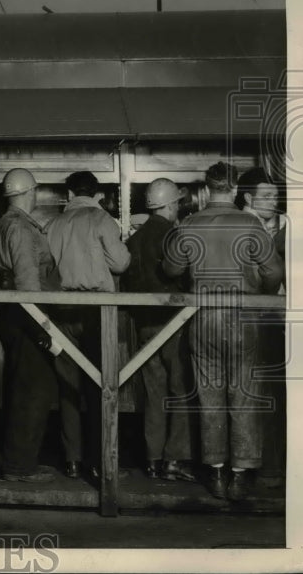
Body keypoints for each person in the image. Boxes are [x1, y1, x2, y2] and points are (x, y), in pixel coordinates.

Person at [164, 162, 284, 500]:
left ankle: (216, 473)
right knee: (243, 394)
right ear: (233, 189)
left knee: (209, 394)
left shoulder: (189, 223)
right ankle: (240, 475)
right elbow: (273, 271)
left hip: (204, 317)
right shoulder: (251, 224)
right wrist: (260, 295)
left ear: (208, 189)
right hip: (244, 316)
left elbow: (171, 268)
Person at [45, 170, 130, 482]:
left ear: (69, 194)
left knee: (67, 386)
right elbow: (121, 263)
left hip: (61, 309)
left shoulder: (53, 224)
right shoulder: (102, 220)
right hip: (97, 311)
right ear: (95, 194)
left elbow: (46, 268)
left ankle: (72, 460)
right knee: (99, 386)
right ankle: (99, 461)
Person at [122, 178, 195, 483]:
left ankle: (152, 460)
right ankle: (174, 460)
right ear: (169, 205)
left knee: (154, 394)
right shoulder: (173, 235)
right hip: (173, 324)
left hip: (144, 326)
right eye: (176, 202)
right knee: (180, 391)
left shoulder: (135, 239)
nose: (178, 207)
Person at [0, 168, 59, 484]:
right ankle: (20, 466)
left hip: (12, 312)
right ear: (31, 192)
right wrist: (42, 325)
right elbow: (28, 283)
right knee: (34, 390)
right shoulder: (20, 227)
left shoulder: (6, 223)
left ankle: (17, 460)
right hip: (27, 312)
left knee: (21, 386)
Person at [236, 167, 287, 489]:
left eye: (276, 196)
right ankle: (263, 469)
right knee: (261, 395)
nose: (273, 201)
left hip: (268, 320)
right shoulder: (248, 226)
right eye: (266, 196)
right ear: (248, 197)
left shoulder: (277, 226)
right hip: (256, 318)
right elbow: (270, 274)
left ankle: (265, 467)